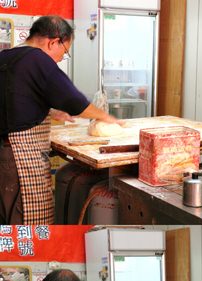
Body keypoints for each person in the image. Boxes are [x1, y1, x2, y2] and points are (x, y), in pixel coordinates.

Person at [0, 15, 121, 224]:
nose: (59, 59)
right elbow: (74, 101)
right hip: (19, 159)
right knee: (27, 221)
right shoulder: (38, 59)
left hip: (5, 157)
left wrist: (51, 112)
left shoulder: (7, 56)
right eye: (64, 52)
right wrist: (107, 117)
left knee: (6, 219)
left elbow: (14, 102)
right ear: (53, 41)